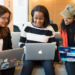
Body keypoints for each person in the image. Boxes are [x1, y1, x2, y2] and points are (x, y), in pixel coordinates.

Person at [19, 5, 57, 75]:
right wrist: (27, 50)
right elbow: (21, 43)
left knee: (49, 67)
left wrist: (53, 48)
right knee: (27, 66)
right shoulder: (27, 26)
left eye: (41, 18)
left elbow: (53, 44)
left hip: (45, 56)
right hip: (29, 55)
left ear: (45, 18)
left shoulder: (49, 28)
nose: (38, 21)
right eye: (35, 18)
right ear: (32, 17)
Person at [59, 3, 75, 75]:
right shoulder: (63, 27)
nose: (65, 19)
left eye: (68, 17)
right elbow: (61, 43)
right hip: (68, 54)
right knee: (70, 67)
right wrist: (62, 58)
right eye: (64, 16)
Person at [0, 5, 15, 75]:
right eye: (4, 18)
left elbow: (9, 47)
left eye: (7, 18)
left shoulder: (6, 30)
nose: (6, 20)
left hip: (2, 60)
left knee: (11, 68)